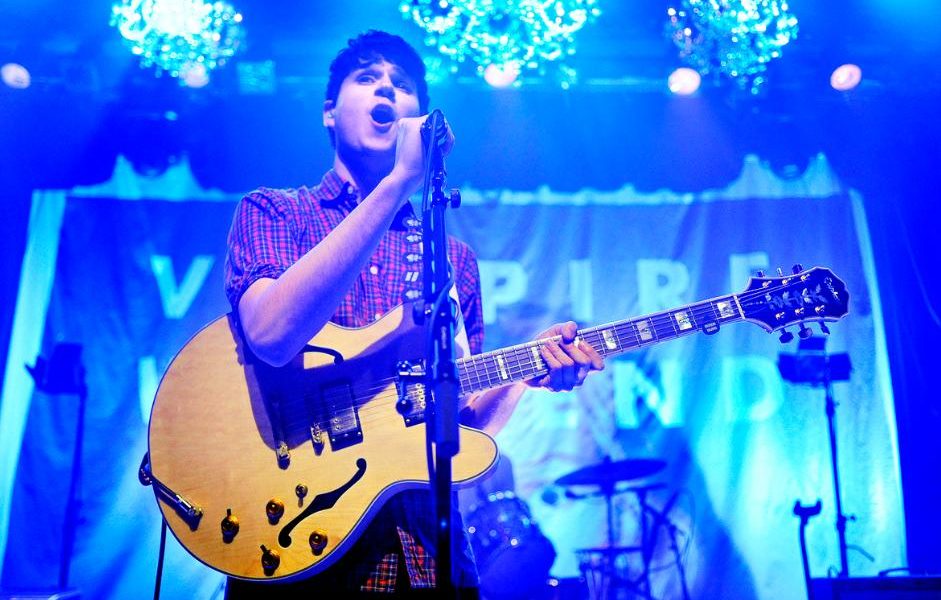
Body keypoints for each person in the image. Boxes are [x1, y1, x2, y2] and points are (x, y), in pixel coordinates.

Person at [222, 30, 604, 597]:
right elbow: (271, 334)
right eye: (367, 78)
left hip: (424, 550)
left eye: (402, 85)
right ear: (329, 112)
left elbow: (460, 423)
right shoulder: (277, 211)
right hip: (295, 538)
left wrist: (525, 371)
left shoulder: (451, 258)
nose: (386, 90)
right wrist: (400, 180)